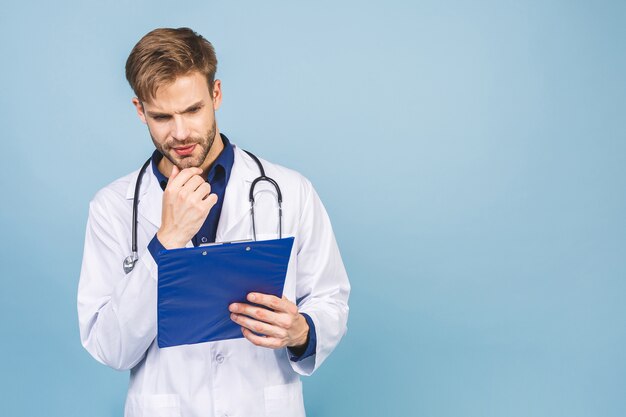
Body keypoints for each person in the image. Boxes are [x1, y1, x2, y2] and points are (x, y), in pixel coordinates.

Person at [77, 27, 350, 417]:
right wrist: (166, 240)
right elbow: (110, 347)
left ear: (216, 94)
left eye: (193, 110)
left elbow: (330, 299)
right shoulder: (112, 208)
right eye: (162, 117)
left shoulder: (291, 191)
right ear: (140, 111)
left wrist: (302, 331)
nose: (181, 133)